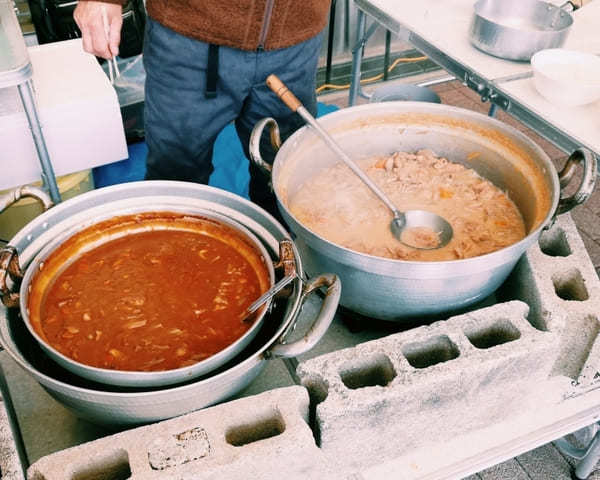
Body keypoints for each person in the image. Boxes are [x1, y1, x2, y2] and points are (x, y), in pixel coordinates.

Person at [74, 0, 331, 220]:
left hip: (296, 41)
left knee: (284, 175)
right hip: (190, 37)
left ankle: (284, 266)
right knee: (176, 178)